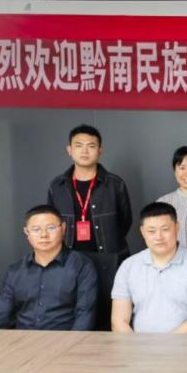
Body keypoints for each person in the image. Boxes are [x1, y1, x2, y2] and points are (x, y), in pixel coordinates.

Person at [48, 124, 132, 330]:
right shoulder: (57, 185)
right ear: (69, 150)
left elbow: (125, 221)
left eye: (91, 146)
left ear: (100, 150)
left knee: (108, 316)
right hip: (71, 259)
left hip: (109, 259)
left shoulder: (115, 184)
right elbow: (52, 223)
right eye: (79, 145)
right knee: (74, 314)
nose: (85, 151)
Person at [0, 205, 97, 330]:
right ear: (27, 233)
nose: (44, 235)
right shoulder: (14, 271)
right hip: (23, 338)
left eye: (51, 228)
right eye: (36, 229)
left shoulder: (82, 266)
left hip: (64, 338)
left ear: (63, 228)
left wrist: (72, 342)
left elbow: (85, 315)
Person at [111, 202, 187, 333]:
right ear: (142, 232)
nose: (158, 237)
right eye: (151, 231)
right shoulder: (128, 266)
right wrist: (135, 345)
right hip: (138, 343)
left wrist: (166, 344)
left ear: (177, 227)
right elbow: (118, 321)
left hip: (186, 343)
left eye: (165, 229)